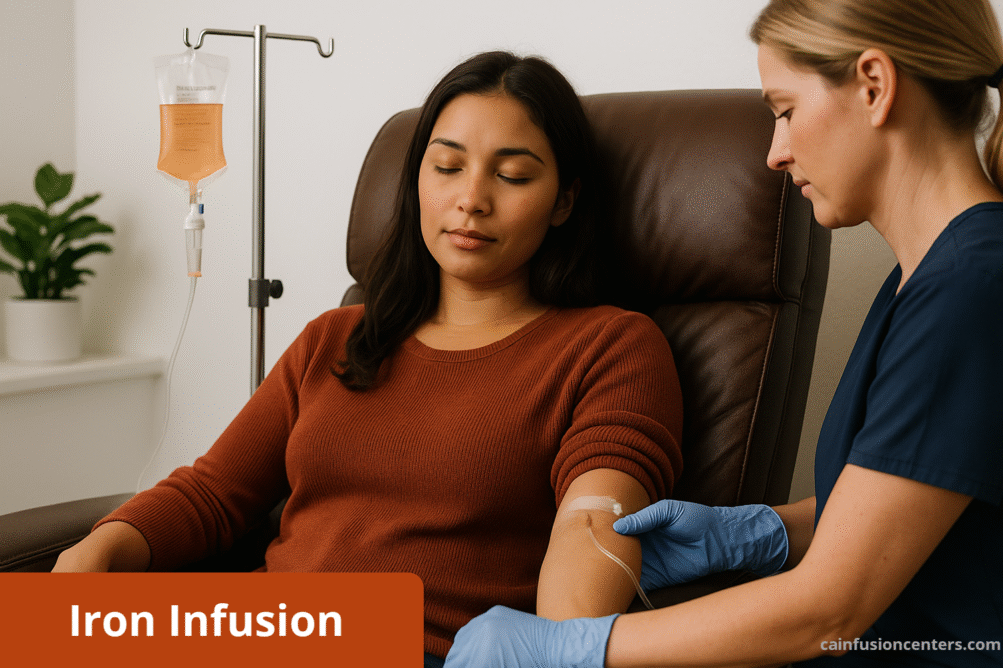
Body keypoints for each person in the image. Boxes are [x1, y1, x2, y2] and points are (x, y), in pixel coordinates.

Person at [443, 0, 1003, 666]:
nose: (776, 152)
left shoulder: (975, 290)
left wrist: (574, 647)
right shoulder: (927, 282)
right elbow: (909, 508)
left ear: (873, 85)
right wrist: (764, 530)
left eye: (785, 111)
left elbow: (829, 610)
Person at [51, 51, 684, 666]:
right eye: (446, 167)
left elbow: (594, 538)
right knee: (29, 630)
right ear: (416, 181)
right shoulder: (335, 338)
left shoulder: (609, 347)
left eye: (512, 175)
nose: (471, 198)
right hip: (258, 630)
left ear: (565, 201)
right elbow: (214, 494)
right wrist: (99, 550)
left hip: (412, 645)